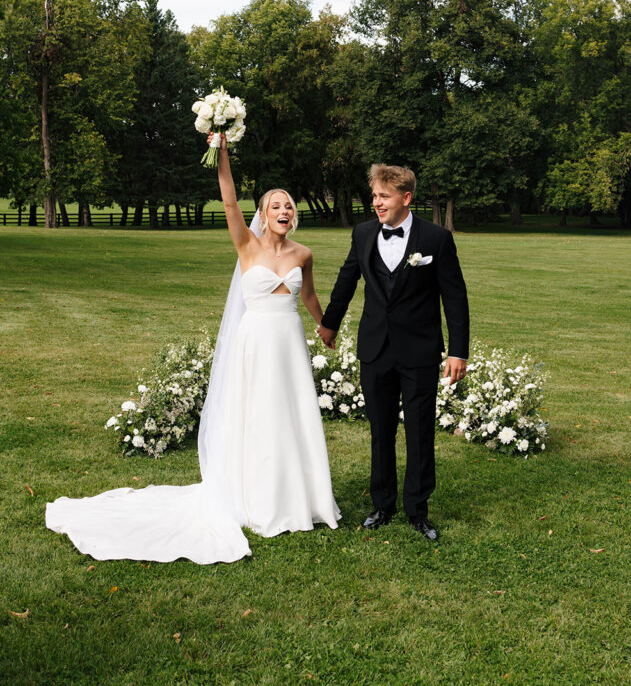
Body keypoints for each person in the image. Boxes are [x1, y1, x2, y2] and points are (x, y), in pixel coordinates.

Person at [46, 136, 339, 563]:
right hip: (255, 344)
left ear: (294, 216)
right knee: (257, 415)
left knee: (292, 413)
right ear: (262, 214)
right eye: (275, 205)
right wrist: (222, 151)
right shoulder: (247, 247)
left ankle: (305, 499)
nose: (283, 210)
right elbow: (230, 203)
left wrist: (325, 328)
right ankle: (257, 499)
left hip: (289, 342)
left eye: (288, 205)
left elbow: (310, 298)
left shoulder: (304, 254)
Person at [318, 163, 468, 541]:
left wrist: (458, 351)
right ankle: (381, 505)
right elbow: (346, 278)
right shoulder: (364, 233)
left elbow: (454, 297)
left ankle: (418, 511)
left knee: (419, 432)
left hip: (418, 350)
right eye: (374, 196)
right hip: (375, 347)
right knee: (380, 431)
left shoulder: (436, 239)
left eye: (383, 196)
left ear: (406, 198)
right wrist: (330, 322)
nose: (376, 203)